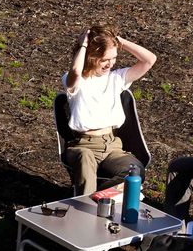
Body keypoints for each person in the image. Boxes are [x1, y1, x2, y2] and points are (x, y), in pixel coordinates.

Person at [60, 22, 158, 196]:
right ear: (90, 56)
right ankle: (86, 209)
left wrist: (119, 41)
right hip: (84, 145)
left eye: (113, 58)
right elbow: (76, 70)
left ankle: (96, 198)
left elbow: (149, 60)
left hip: (112, 145)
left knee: (134, 171)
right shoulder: (77, 82)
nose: (110, 64)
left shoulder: (117, 78)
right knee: (85, 159)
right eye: (104, 59)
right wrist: (83, 44)